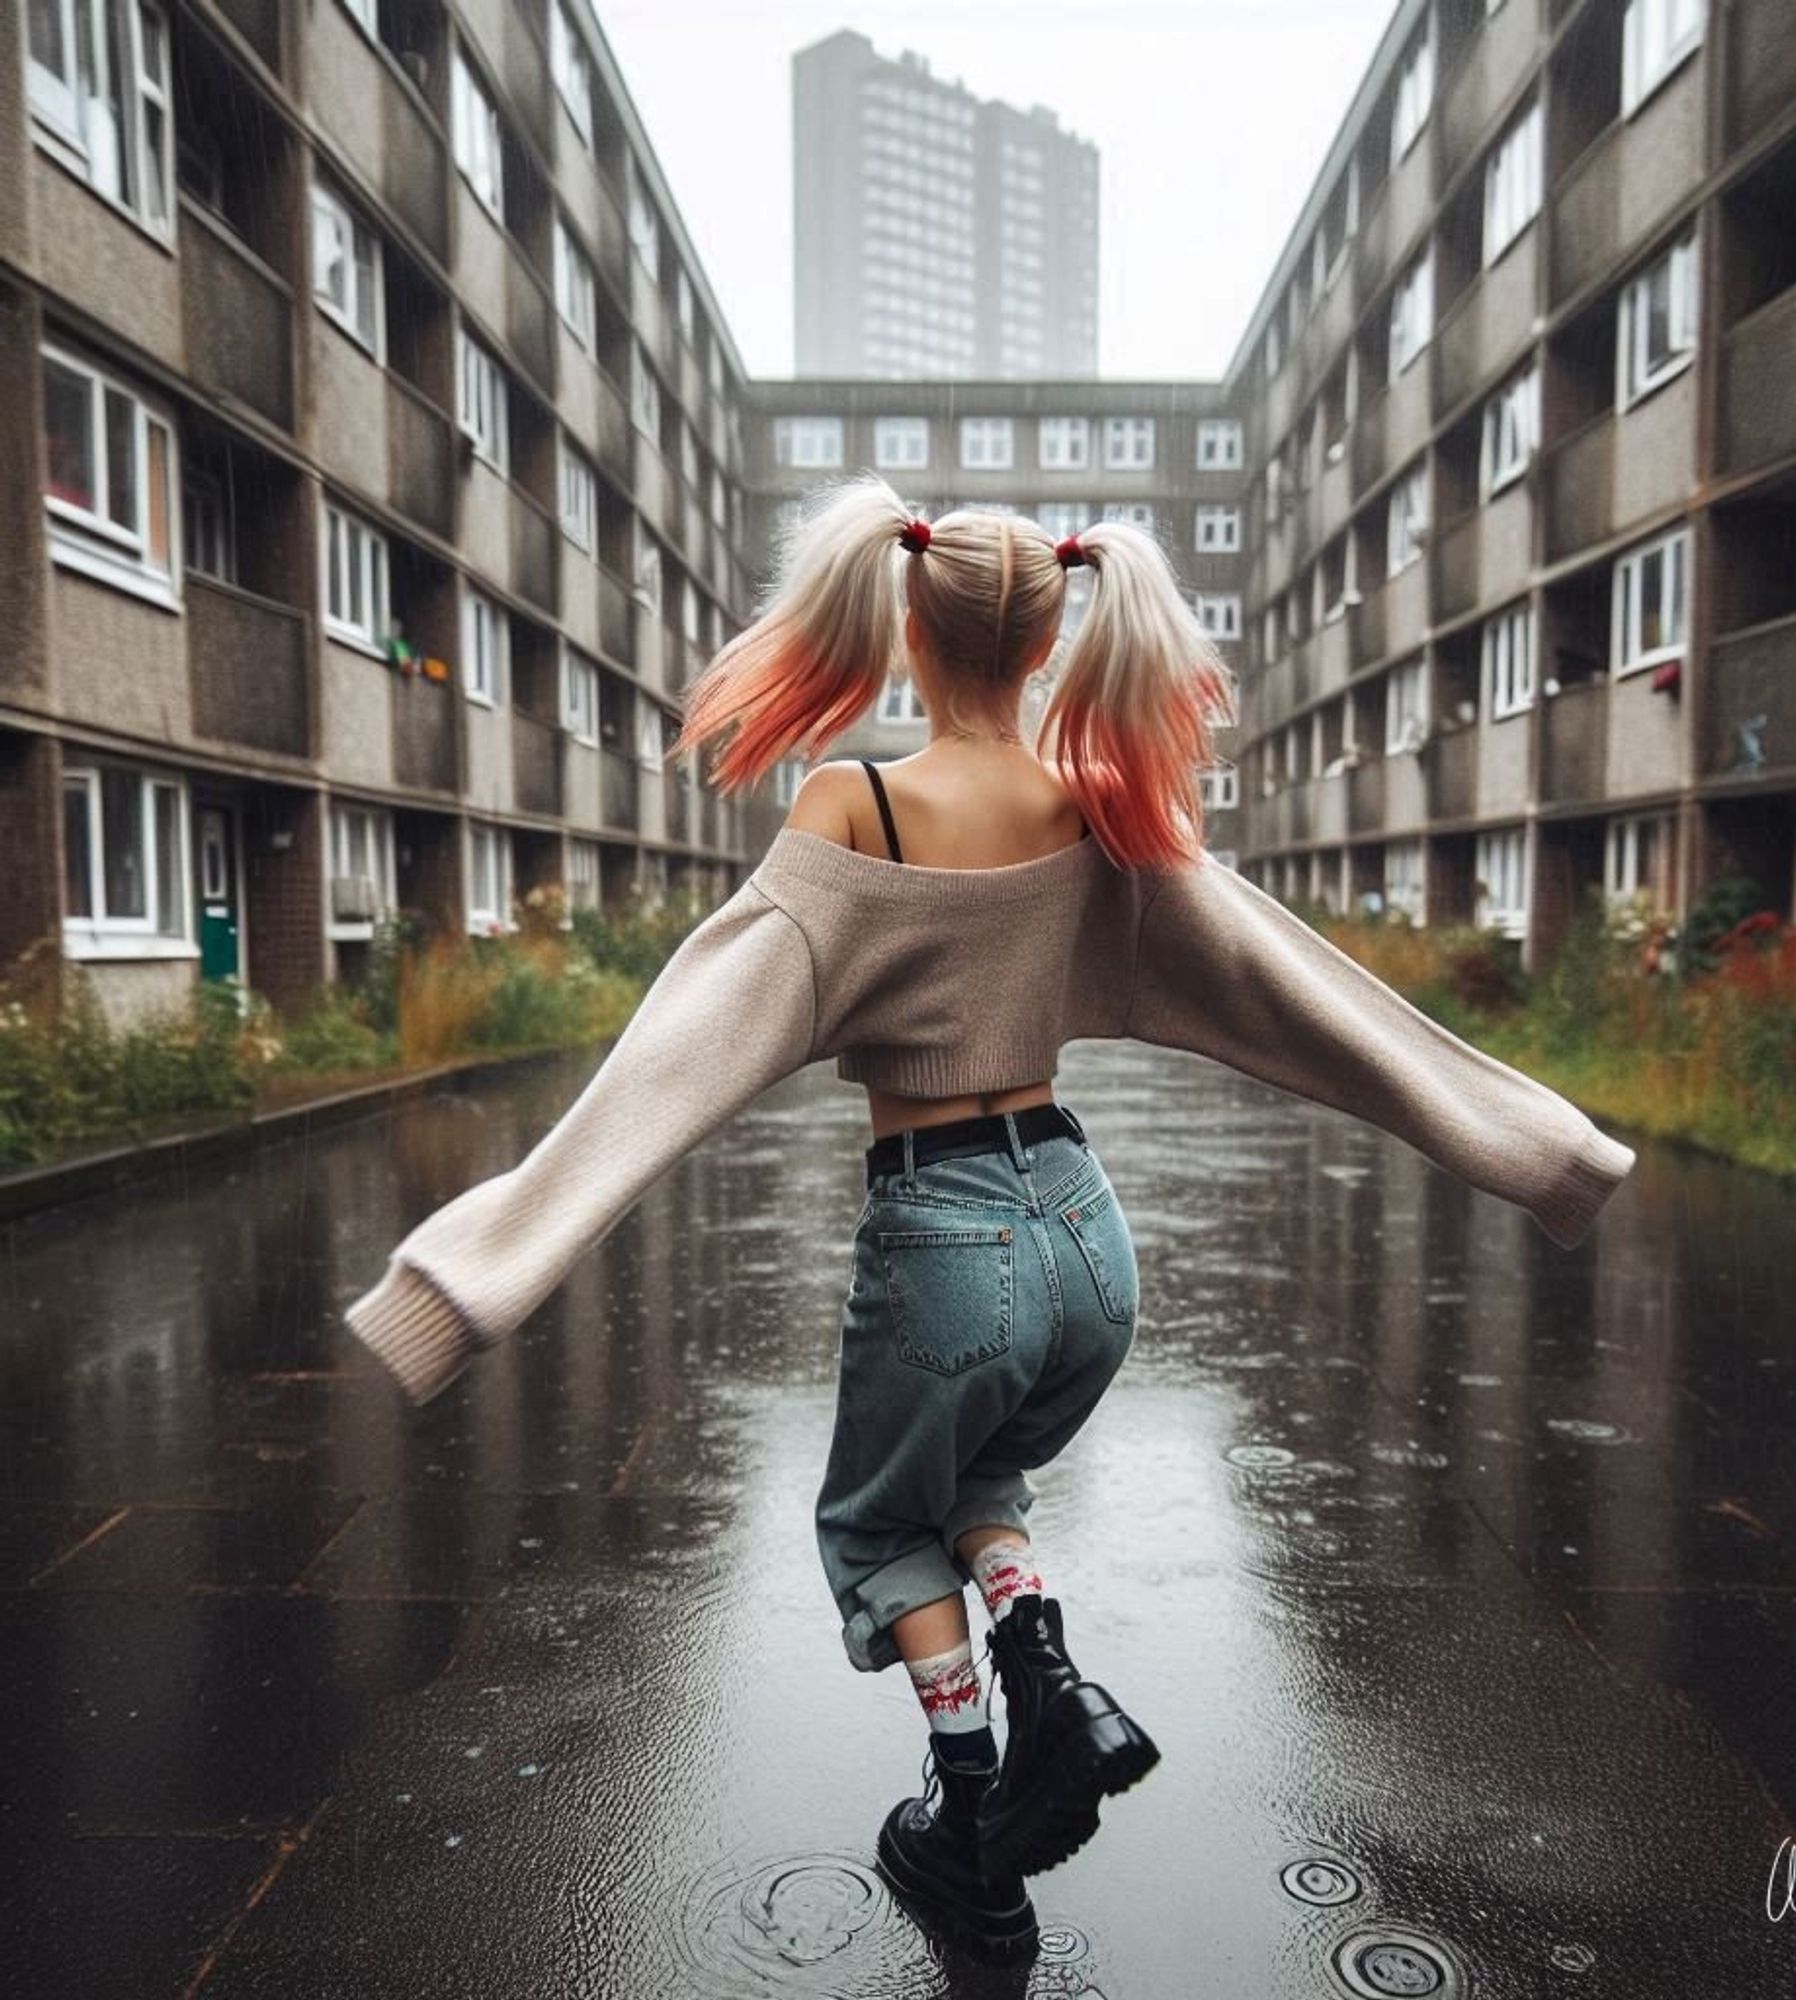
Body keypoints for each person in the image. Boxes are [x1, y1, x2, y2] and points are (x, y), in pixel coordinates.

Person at [343, 473, 1638, 1966]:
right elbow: (1300, 987)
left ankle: (970, 1821)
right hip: (1088, 1234)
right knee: (987, 1472)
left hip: (945, 1235)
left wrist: (478, 1271)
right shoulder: (1101, 803)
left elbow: (681, 1049)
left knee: (877, 1528)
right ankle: (1052, 1684)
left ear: (906, 621)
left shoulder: (857, 801)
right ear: (1048, 642)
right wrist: (1538, 1148)